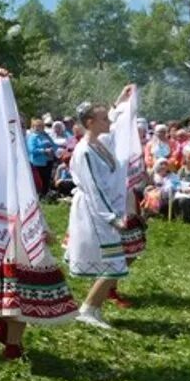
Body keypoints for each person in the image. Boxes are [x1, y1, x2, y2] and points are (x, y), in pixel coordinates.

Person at [0, 75, 77, 361]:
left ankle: (8, 333)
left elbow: (27, 193)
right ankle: (9, 335)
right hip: (7, 225)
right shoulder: (1, 152)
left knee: (15, 279)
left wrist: (40, 226)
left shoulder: (13, 154)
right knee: (13, 279)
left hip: (15, 225)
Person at [64, 86, 135, 330]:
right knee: (115, 262)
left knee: (114, 261)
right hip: (94, 211)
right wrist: (111, 217)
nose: (109, 122)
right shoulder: (85, 151)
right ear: (91, 122)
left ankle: (92, 308)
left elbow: (114, 125)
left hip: (102, 206)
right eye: (103, 118)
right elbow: (94, 187)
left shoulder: (99, 142)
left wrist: (121, 100)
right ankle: (88, 309)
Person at [27, 116, 57, 197]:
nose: (38, 128)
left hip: (48, 160)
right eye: (36, 126)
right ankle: (39, 196)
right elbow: (32, 150)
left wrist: (52, 150)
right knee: (39, 180)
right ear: (33, 127)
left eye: (40, 126)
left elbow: (54, 145)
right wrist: (44, 151)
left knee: (46, 179)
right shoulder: (32, 137)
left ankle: (45, 195)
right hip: (38, 162)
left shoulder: (46, 135)